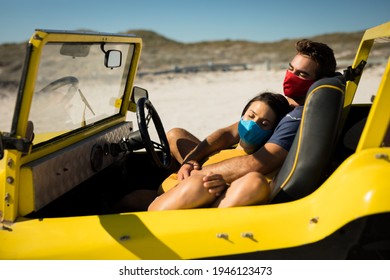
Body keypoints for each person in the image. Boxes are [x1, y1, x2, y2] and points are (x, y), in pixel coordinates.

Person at [157, 39, 337, 207]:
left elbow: (257, 164)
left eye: (301, 74)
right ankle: (175, 190)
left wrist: (198, 174)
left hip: (244, 178)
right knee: (176, 135)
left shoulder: (296, 118)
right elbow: (228, 133)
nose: (291, 76)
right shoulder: (284, 104)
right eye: (290, 68)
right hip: (233, 160)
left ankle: (179, 197)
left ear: (316, 82)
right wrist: (192, 160)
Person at [148, 92, 291, 210]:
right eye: (251, 116)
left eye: (264, 124)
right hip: (168, 188)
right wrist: (189, 161)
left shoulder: (261, 161)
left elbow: (243, 188)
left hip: (183, 199)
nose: (252, 125)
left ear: (273, 133)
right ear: (242, 116)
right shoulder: (224, 148)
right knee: (130, 200)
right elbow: (226, 133)